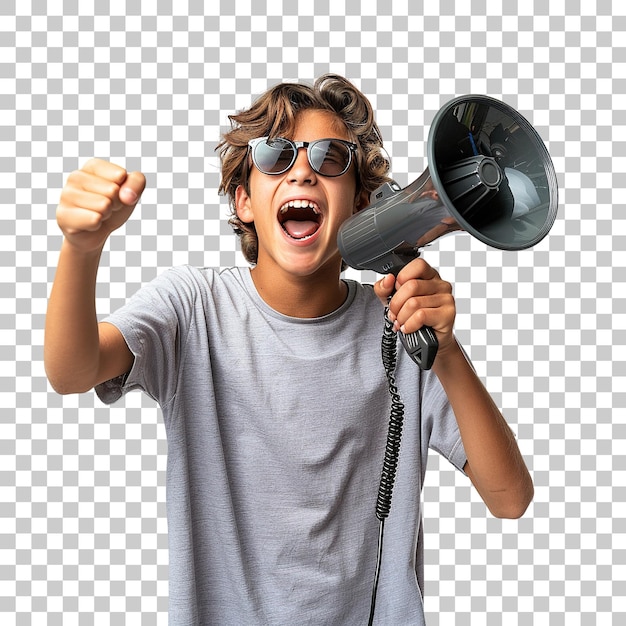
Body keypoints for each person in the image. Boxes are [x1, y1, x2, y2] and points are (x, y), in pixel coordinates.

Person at [44, 74, 534, 625]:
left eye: (331, 159)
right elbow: (72, 370)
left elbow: (510, 498)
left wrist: (446, 353)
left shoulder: (399, 326)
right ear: (244, 200)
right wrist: (80, 250)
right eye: (276, 156)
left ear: (363, 203)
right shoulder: (192, 308)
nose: (302, 169)